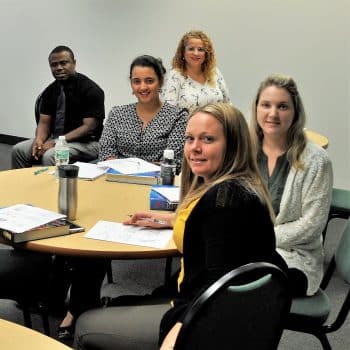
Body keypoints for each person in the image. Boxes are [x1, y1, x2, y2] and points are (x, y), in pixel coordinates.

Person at [74, 103, 287, 350]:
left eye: (208, 139)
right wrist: (170, 220)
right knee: (116, 303)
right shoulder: (236, 188)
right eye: (190, 138)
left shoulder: (225, 202)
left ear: (233, 145)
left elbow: (217, 289)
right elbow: (224, 246)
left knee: (86, 323)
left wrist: (179, 329)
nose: (194, 148)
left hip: (206, 321)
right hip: (222, 310)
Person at [250, 74, 333, 296]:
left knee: (247, 287)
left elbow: (312, 224)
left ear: (295, 112)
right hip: (247, 249)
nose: (273, 113)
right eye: (266, 105)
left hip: (295, 257)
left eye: (283, 106)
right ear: (256, 108)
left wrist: (259, 239)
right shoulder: (244, 152)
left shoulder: (316, 160)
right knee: (206, 274)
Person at [12, 45, 105, 168]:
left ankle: (54, 187)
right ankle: (22, 186)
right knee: (18, 150)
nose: (59, 68)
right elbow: (44, 123)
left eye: (63, 63)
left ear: (74, 63)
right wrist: (39, 140)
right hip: (55, 140)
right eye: (54, 65)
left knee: (51, 155)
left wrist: (57, 142)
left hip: (88, 143)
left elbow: (88, 127)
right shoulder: (49, 92)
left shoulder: (91, 90)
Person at [99, 54, 188, 170]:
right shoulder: (117, 114)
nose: (143, 87)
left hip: (159, 182)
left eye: (149, 81)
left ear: (160, 82)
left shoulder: (178, 116)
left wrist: (127, 167)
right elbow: (106, 153)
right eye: (137, 81)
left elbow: (172, 161)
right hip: (117, 179)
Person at [161, 30, 231, 112]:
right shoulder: (174, 76)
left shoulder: (215, 72)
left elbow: (228, 106)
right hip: (188, 124)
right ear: (183, 52)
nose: (196, 53)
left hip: (219, 124)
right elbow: (168, 112)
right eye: (191, 49)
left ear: (206, 53)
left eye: (201, 49)